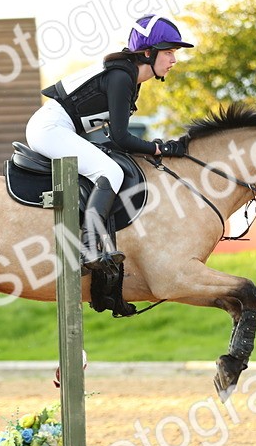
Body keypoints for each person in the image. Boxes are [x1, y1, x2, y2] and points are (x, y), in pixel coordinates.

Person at [26, 15, 192, 271]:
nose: (174, 60)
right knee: (110, 171)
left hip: (60, 128)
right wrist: (160, 148)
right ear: (148, 52)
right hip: (49, 128)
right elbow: (121, 137)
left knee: (112, 165)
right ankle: (88, 248)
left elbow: (116, 139)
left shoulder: (131, 78)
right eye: (169, 52)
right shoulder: (121, 77)